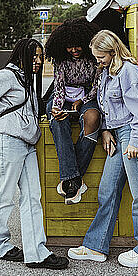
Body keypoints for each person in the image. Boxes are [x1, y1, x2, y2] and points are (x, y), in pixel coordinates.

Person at [0, 38, 68, 270]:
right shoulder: (8, 76)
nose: (37, 61)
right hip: (7, 141)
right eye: (33, 57)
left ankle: (37, 252)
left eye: (40, 57)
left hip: (26, 144)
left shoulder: (26, 80)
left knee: (32, 196)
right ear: (21, 56)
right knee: (4, 195)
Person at [68, 30, 138, 268]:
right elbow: (106, 107)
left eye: (100, 56)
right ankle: (96, 246)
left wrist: (135, 142)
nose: (97, 61)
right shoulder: (107, 73)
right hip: (119, 133)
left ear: (113, 50)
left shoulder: (130, 72)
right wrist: (105, 130)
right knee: (107, 190)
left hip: (134, 134)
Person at [45, 18, 101, 204]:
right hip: (61, 97)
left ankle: (70, 179)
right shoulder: (60, 61)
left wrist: (81, 101)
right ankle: (74, 182)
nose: (74, 50)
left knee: (93, 117)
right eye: (70, 47)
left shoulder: (94, 58)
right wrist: (56, 108)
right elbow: (58, 88)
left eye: (78, 46)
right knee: (58, 121)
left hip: (85, 96)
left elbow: (97, 86)